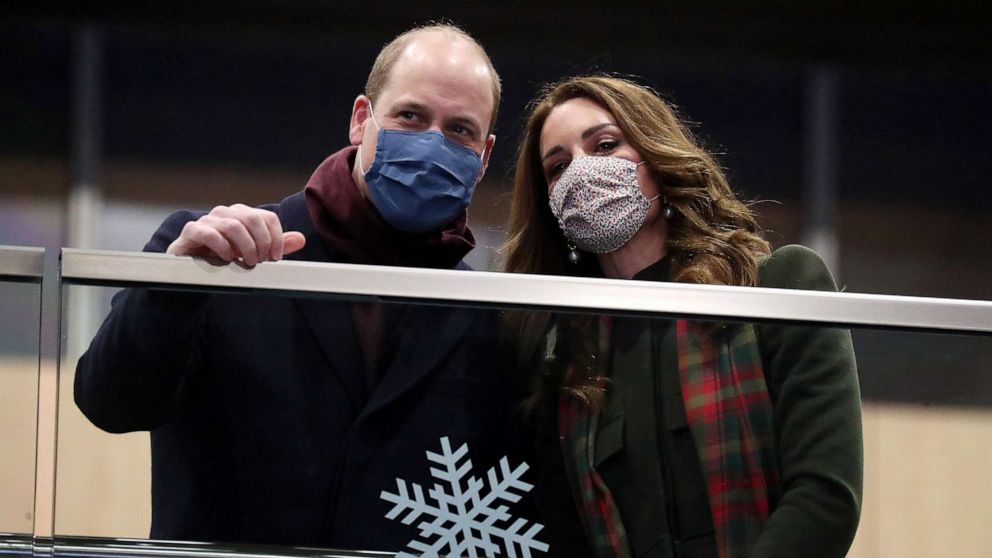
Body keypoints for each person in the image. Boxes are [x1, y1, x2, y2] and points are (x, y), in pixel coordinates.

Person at [75, 24, 529, 552]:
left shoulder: (487, 315)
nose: (432, 142)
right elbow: (110, 404)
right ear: (362, 120)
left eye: (460, 130)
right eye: (410, 116)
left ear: (484, 158)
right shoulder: (215, 254)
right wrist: (173, 287)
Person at [502, 75, 863, 558]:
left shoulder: (776, 287)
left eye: (605, 145)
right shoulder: (564, 362)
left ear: (657, 156)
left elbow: (825, 497)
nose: (581, 173)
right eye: (558, 166)